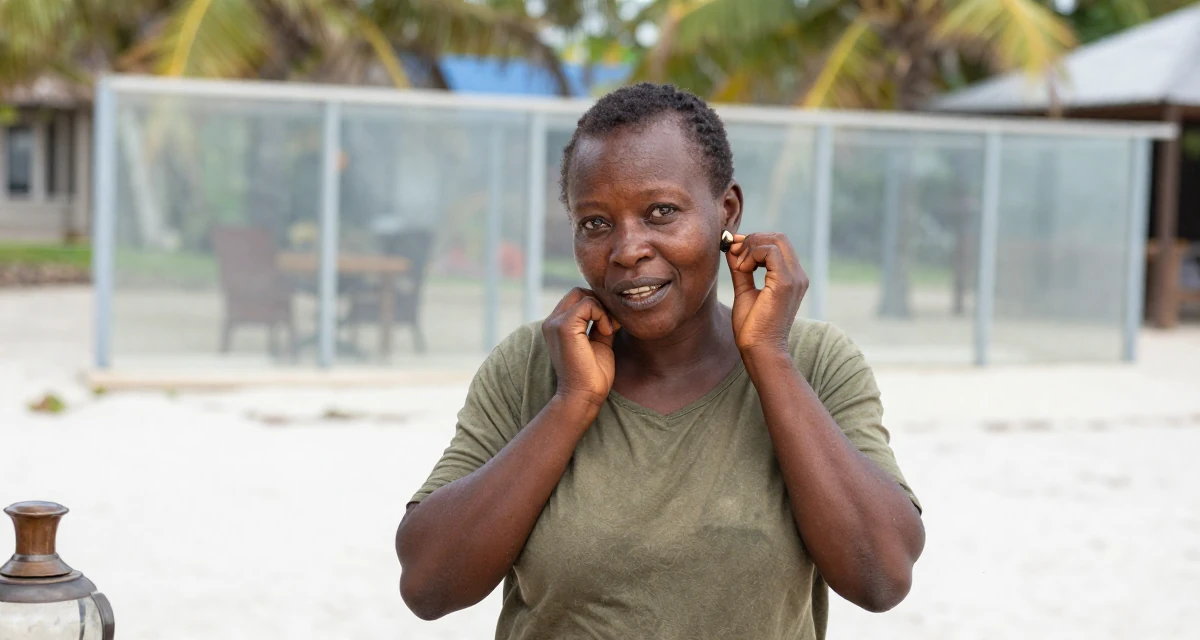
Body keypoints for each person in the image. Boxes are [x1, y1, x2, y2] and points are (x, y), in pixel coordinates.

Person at [395, 83, 924, 639]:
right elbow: (429, 585)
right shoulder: (533, 365)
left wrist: (769, 357)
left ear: (727, 211)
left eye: (661, 212)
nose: (627, 249)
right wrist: (571, 403)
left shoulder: (815, 362)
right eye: (595, 222)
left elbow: (881, 578)